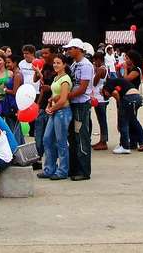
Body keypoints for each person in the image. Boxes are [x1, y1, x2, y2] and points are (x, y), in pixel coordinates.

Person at [64, 38, 94, 181]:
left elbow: (82, 88)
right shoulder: (75, 64)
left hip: (81, 104)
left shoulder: (86, 65)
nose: (68, 51)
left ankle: (84, 170)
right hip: (74, 104)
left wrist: (65, 96)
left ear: (78, 49)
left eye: (70, 49)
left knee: (81, 136)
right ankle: (74, 168)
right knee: (73, 137)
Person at [39, 53, 72, 179]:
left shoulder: (65, 79)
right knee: (47, 139)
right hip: (54, 111)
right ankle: (49, 168)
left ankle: (62, 170)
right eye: (54, 63)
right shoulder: (56, 78)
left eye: (58, 63)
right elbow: (55, 96)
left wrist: (52, 108)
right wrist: (49, 105)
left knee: (61, 142)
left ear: (64, 64)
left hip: (62, 112)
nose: (55, 65)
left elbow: (63, 99)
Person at [110, 50, 143, 153]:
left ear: (132, 59)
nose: (126, 60)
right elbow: (120, 80)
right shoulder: (133, 69)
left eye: (127, 58)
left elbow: (125, 80)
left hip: (132, 96)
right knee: (131, 120)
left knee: (133, 121)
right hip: (127, 96)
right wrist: (119, 70)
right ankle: (133, 142)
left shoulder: (137, 69)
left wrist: (125, 69)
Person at [33, 45, 56, 169]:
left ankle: (51, 161)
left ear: (53, 54)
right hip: (43, 105)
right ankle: (38, 158)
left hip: (54, 105)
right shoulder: (45, 66)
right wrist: (38, 104)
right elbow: (38, 82)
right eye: (42, 54)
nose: (43, 56)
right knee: (39, 133)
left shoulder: (59, 66)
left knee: (49, 137)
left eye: (46, 54)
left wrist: (50, 88)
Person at [1, 53, 24, 144]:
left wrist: (5, 90)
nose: (7, 65)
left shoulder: (17, 75)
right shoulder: (14, 74)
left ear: (15, 63)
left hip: (13, 104)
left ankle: (16, 148)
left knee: (13, 128)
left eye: (9, 63)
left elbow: (15, 92)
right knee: (15, 127)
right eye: (6, 63)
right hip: (9, 103)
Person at [91, 51, 109, 151]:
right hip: (100, 98)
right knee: (101, 120)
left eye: (95, 61)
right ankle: (102, 140)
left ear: (98, 60)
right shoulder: (105, 68)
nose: (94, 63)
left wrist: (95, 71)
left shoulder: (101, 69)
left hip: (100, 99)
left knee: (102, 120)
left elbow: (94, 82)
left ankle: (103, 141)